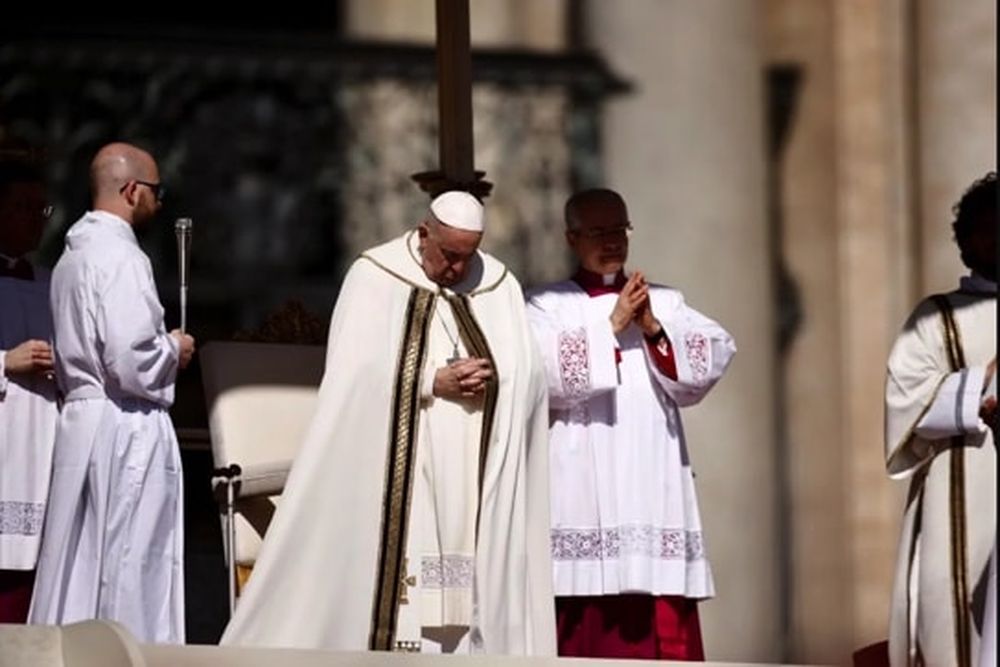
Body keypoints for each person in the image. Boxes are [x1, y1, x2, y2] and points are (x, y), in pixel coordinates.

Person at [222, 190, 556, 655]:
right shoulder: (374, 276)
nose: (457, 269)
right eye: (448, 255)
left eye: (468, 255)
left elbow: (532, 374)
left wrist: (496, 377)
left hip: (474, 469)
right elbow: (350, 375)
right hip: (402, 466)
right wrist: (429, 381)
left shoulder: (499, 284)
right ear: (424, 234)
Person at [525, 189, 735, 660]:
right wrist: (610, 327)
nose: (612, 241)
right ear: (571, 238)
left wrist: (653, 329)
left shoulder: (664, 301)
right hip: (579, 479)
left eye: (619, 229)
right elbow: (539, 376)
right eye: (598, 232)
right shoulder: (544, 305)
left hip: (650, 473)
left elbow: (710, 360)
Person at [28, 142, 195, 643]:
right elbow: (129, 360)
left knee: (79, 560)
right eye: (156, 192)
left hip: (83, 422)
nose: (160, 203)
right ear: (132, 190)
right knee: (127, 561)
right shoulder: (121, 255)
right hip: (124, 426)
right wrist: (174, 348)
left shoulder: (70, 257)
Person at [885, 172, 996, 667]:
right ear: (967, 241)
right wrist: (982, 384)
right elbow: (906, 403)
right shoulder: (936, 317)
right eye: (990, 229)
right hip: (963, 483)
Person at [0, 157, 58, 623]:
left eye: (43, 210)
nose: (37, 220)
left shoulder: (51, 283)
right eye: (24, 206)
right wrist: (5, 361)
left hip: (39, 442)